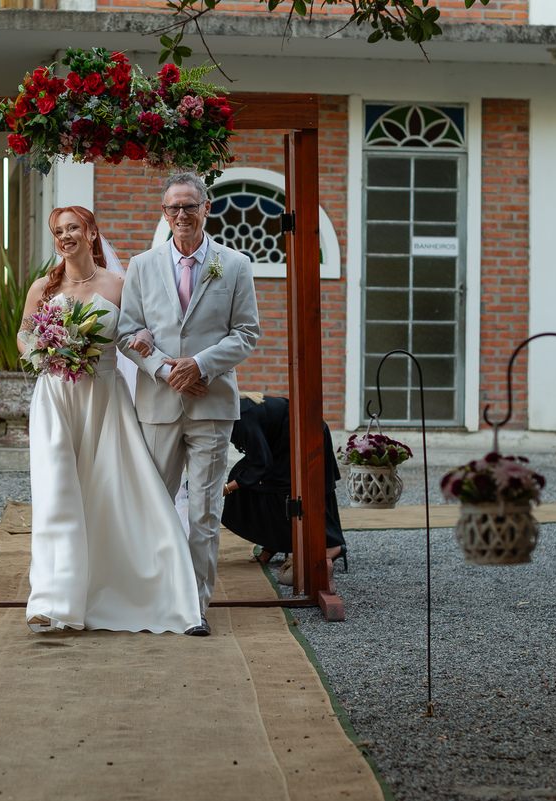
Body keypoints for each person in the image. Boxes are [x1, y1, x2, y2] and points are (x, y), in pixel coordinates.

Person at [19, 205, 201, 634]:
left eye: (73, 229)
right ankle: (53, 599)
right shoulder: (44, 288)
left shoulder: (119, 284)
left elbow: (139, 335)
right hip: (57, 399)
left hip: (104, 396)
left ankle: (136, 585)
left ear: (92, 232)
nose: (65, 237)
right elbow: (25, 336)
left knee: (111, 489)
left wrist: (158, 356)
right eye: (58, 231)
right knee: (57, 493)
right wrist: (45, 352)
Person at [118, 173, 261, 636]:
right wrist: (168, 371)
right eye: (172, 208)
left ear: (206, 207)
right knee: (156, 506)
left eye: (188, 207)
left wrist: (198, 366)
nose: (181, 215)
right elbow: (126, 334)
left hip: (212, 407)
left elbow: (246, 334)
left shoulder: (235, 264)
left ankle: (195, 607)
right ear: (164, 213)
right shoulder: (141, 266)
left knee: (203, 510)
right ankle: (156, 598)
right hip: (158, 405)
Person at [220, 393, 347, 570]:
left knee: (288, 487)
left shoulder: (241, 418)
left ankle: (333, 544)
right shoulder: (229, 410)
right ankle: (273, 541)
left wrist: (227, 488)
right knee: (245, 476)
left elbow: (261, 464)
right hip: (282, 439)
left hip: (305, 434)